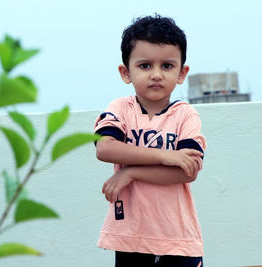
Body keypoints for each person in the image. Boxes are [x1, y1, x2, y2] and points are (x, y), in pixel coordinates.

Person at [94, 14, 206, 267]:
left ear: (181, 72)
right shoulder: (121, 109)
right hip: (130, 238)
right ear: (126, 72)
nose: (156, 74)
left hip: (178, 240)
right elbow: (105, 148)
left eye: (167, 65)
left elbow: (186, 172)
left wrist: (131, 173)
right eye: (145, 66)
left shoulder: (185, 115)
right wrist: (165, 155)